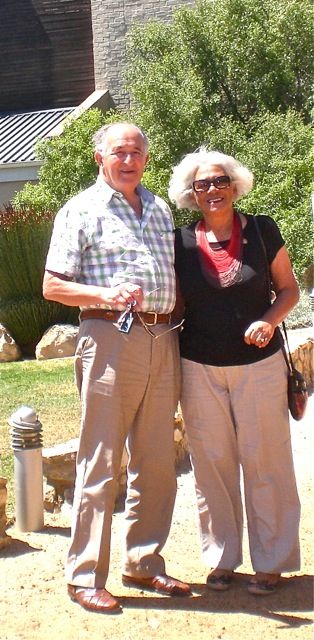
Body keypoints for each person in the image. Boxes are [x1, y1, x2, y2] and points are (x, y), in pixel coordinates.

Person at [43, 122, 191, 614]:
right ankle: (84, 575)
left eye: (136, 152)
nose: (128, 160)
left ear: (146, 159)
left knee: (156, 461)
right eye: (118, 152)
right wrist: (104, 295)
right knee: (101, 461)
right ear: (99, 158)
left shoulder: (159, 208)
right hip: (109, 338)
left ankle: (144, 562)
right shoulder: (80, 210)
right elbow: (53, 286)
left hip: (162, 337)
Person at [169, 148, 301, 595]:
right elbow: (177, 306)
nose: (212, 190)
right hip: (199, 366)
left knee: (268, 462)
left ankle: (272, 561)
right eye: (202, 184)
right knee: (212, 467)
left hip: (259, 366)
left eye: (219, 181)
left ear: (235, 185)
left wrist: (268, 320)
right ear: (192, 193)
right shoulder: (180, 242)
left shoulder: (263, 230)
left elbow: (289, 290)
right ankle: (222, 558)